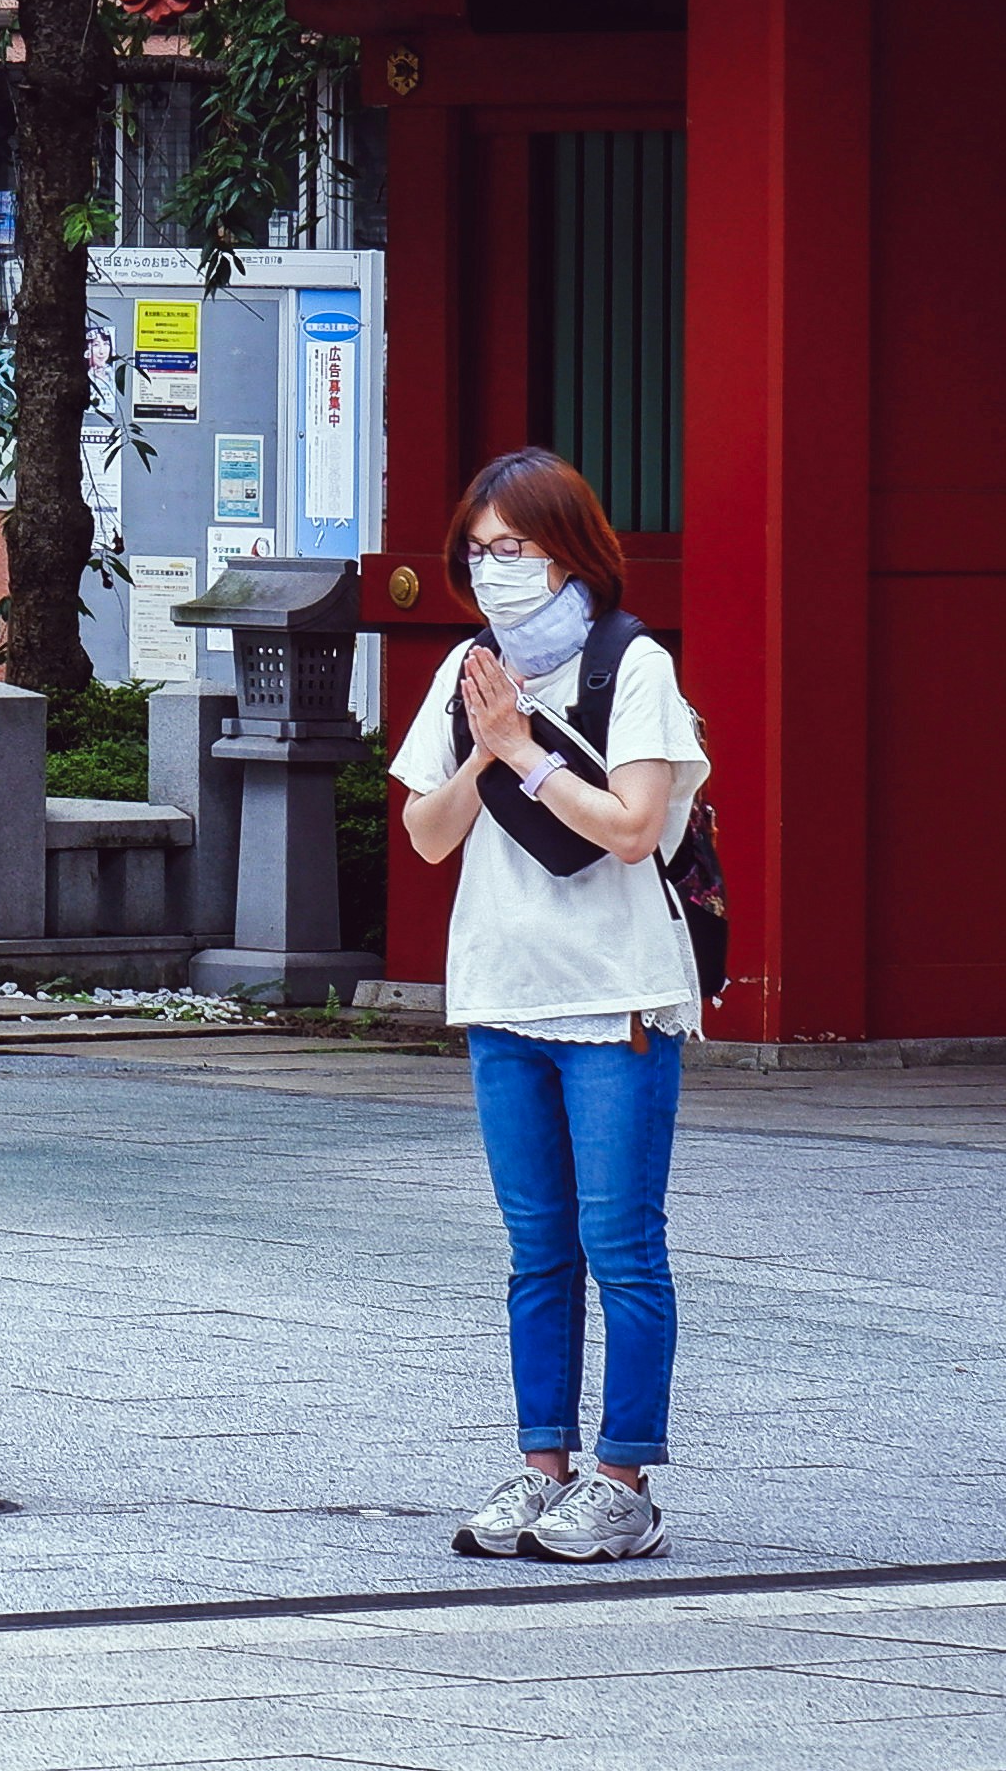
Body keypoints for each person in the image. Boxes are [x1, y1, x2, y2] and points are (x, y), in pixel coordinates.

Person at [394, 447, 707, 1565]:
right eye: (478, 553)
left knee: (620, 1243)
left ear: (569, 548)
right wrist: (486, 752)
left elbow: (631, 826)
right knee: (536, 1249)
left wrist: (524, 750)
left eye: (514, 549)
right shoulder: (470, 671)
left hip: (616, 995)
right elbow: (428, 835)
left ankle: (623, 1483)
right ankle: (543, 1469)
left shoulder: (636, 668)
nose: (495, 572)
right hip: (503, 990)